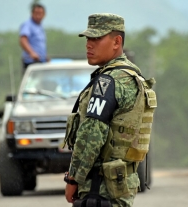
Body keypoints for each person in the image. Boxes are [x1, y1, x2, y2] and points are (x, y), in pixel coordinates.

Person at [63, 13, 157, 207]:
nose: (89, 44)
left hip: (99, 189)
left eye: (96, 38)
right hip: (121, 186)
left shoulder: (107, 82)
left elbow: (91, 136)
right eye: (88, 39)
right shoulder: (133, 76)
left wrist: (73, 179)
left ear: (117, 42)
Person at [19, 2, 48, 75]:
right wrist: (32, 53)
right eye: (36, 13)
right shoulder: (28, 25)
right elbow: (23, 40)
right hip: (31, 62)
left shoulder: (39, 26)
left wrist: (45, 56)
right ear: (32, 13)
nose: (38, 16)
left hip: (41, 61)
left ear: (44, 15)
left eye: (40, 13)